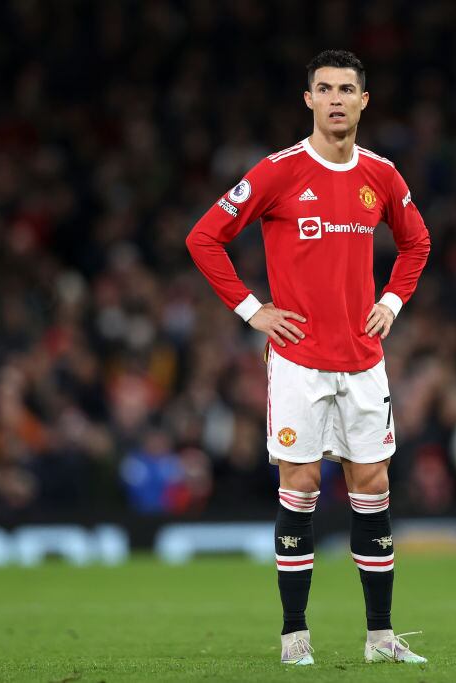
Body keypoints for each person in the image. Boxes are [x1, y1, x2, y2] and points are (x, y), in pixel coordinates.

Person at [186, 49, 431, 665]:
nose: (337, 99)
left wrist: (393, 303)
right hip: (297, 361)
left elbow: (417, 242)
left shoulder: (382, 175)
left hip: (363, 359)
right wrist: (253, 311)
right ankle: (295, 636)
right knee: (299, 488)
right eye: (325, 89)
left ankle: (380, 639)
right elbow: (204, 237)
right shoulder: (278, 171)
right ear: (309, 100)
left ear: (364, 100)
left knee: (371, 487)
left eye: (347, 89)